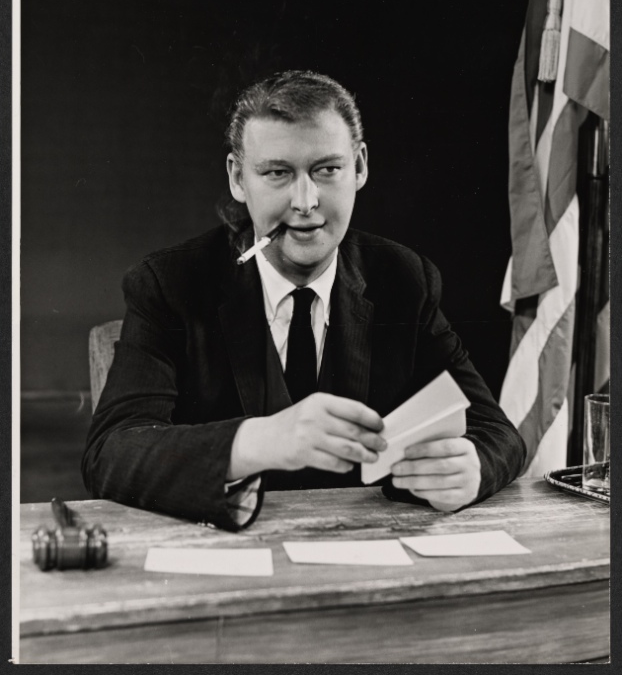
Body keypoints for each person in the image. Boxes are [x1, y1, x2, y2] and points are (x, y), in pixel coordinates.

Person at [82, 70, 525, 531]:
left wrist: (470, 467)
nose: (306, 202)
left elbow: (498, 434)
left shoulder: (403, 278)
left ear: (360, 167)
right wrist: (262, 440)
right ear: (237, 178)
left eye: (326, 170)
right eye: (277, 173)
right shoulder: (170, 283)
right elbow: (110, 453)